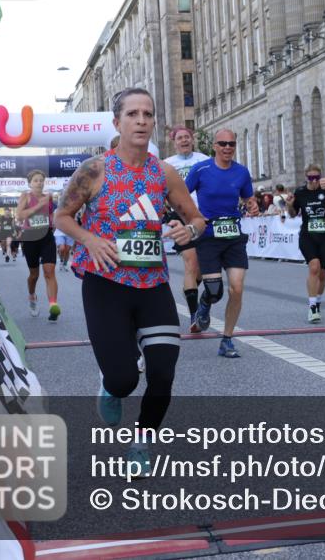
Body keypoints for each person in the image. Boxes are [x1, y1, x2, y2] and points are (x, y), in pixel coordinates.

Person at [56, 87, 205, 472]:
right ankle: (110, 386)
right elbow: (62, 216)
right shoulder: (94, 170)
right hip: (105, 284)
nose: (141, 121)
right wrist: (90, 239)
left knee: (162, 373)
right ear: (117, 122)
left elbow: (196, 218)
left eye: (148, 114)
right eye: (133, 114)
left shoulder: (163, 172)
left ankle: (142, 442)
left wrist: (189, 230)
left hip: (152, 285)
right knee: (123, 380)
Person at [184, 128, 260, 357]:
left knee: (237, 288)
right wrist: (194, 216)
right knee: (214, 291)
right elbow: (181, 196)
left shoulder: (242, 172)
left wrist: (252, 205)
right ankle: (204, 305)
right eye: (223, 143)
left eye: (231, 144)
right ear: (214, 146)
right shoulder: (201, 169)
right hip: (208, 237)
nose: (227, 148)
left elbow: (248, 198)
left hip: (233, 237)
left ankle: (227, 339)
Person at [163, 126, 210, 327]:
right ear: (174, 143)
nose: (183, 141)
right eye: (180, 138)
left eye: (186, 137)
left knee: (200, 270)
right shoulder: (167, 164)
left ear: (192, 140)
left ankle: (191, 291)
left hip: (203, 215)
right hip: (180, 216)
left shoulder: (204, 160)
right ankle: (194, 316)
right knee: (190, 263)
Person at [285, 164, 325, 322]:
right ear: (306, 178)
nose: (314, 181)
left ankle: (317, 301)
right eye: (311, 178)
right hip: (307, 236)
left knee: (323, 273)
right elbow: (293, 214)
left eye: (316, 177)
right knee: (314, 267)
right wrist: (289, 205)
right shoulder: (300, 192)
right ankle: (312, 307)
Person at [16, 170, 60, 321]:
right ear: (30, 183)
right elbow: (19, 215)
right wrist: (38, 205)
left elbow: (51, 213)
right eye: (35, 180)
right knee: (34, 275)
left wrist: (53, 221)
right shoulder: (26, 196)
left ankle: (53, 305)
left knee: (49, 271)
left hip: (46, 236)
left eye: (41, 180)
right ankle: (32, 296)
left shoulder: (49, 197)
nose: (39, 183)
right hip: (30, 237)